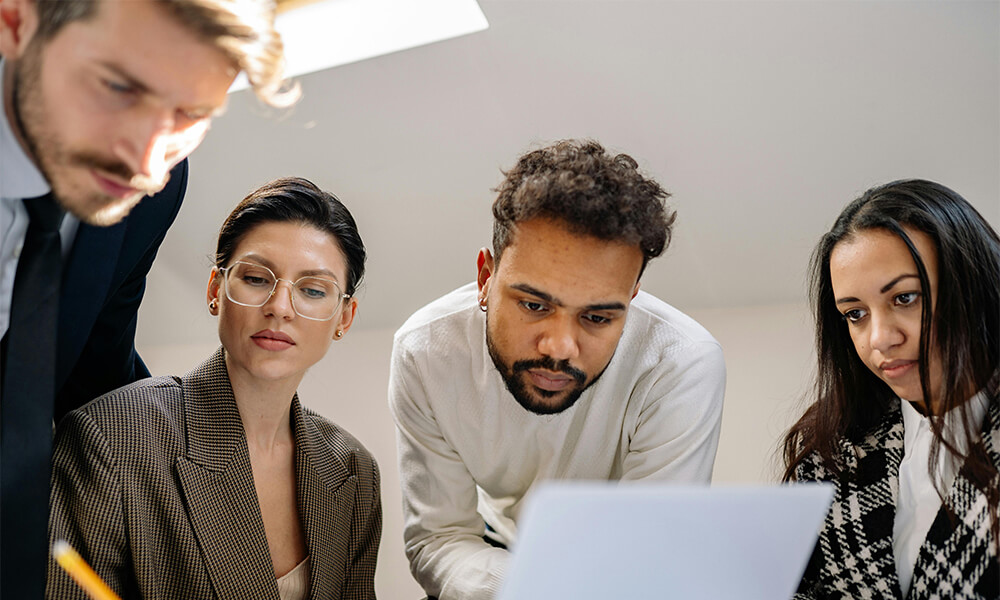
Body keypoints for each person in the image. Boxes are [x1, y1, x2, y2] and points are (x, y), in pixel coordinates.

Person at [0, 0, 295, 595]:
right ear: (15, 22)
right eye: (117, 87)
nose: (145, 161)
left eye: (192, 112)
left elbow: (94, 362)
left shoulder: (153, 189)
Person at [389, 139, 726, 600]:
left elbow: (649, 556)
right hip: (489, 565)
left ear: (632, 297)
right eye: (533, 304)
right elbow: (439, 538)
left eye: (597, 318)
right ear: (486, 278)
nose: (560, 348)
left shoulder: (681, 363)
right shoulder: (426, 350)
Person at [47, 177, 381, 600]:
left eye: (313, 290)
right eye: (257, 279)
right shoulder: (110, 436)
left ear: (344, 318)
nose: (279, 307)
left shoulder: (354, 470)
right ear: (215, 291)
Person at [782, 180, 999, 599]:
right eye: (855, 313)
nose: (879, 338)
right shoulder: (828, 449)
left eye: (905, 298)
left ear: (973, 286)